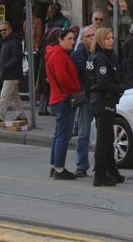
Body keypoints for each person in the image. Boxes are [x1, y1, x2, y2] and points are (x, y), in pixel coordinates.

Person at [86, 28, 125, 187]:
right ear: (101, 40)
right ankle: (100, 174)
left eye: (112, 38)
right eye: (108, 38)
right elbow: (101, 82)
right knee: (104, 140)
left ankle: (110, 170)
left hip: (99, 101)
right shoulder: (101, 58)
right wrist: (119, 88)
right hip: (103, 101)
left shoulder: (95, 57)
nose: (111, 40)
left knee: (108, 138)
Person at [45, 28, 81, 180]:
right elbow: (63, 78)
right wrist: (76, 89)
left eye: (73, 39)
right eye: (70, 38)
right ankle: (59, 168)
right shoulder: (59, 54)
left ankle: (55, 166)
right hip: (63, 98)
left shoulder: (54, 53)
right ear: (60, 39)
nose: (73, 42)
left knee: (59, 133)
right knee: (63, 134)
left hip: (58, 98)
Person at [71, 25, 98, 177]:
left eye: (94, 35)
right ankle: (81, 165)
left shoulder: (103, 52)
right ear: (82, 39)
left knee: (101, 133)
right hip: (85, 98)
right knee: (83, 132)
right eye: (88, 36)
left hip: (100, 98)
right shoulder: (77, 55)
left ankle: (101, 164)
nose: (91, 38)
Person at [0, 21, 25, 127]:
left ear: (10, 29)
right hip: (8, 73)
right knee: (14, 96)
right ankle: (22, 115)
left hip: (12, 73)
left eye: (5, 29)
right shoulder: (6, 41)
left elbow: (16, 58)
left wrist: (5, 67)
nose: (2, 32)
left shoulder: (14, 41)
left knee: (4, 96)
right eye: (1, 30)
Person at [36, 28, 61, 116]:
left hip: (44, 70)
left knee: (45, 91)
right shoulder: (54, 47)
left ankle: (42, 109)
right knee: (50, 90)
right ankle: (53, 109)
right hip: (48, 70)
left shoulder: (45, 45)